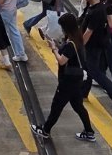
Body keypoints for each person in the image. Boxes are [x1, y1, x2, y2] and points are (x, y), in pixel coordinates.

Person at [31, 13, 97, 143]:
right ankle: (89, 132)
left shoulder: (70, 45)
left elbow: (62, 61)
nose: (61, 30)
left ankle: (45, 130)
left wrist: (54, 49)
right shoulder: (78, 40)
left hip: (68, 81)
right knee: (78, 106)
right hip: (77, 80)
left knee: (57, 106)